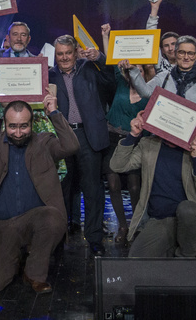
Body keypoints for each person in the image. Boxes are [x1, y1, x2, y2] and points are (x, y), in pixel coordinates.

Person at [0, 92, 79, 294]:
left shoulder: (44, 142)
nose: (19, 132)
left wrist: (54, 112)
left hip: (34, 220)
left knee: (53, 217)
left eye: (24, 126)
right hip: (0, 226)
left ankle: (34, 273)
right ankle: (17, 257)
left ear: (32, 124)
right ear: (5, 124)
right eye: (13, 126)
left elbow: (71, 146)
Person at [110, 110, 196, 258]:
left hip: (190, 222)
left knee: (188, 209)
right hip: (160, 220)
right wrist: (133, 135)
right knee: (136, 259)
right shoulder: (149, 145)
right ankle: (169, 249)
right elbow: (117, 166)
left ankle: (187, 258)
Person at [49, 34, 114, 256]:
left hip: (89, 135)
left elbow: (111, 78)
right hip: (61, 136)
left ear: (76, 52)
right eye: (60, 54)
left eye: (68, 52)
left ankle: (95, 238)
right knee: (62, 189)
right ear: (55, 55)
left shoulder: (90, 67)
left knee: (92, 189)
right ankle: (58, 237)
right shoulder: (48, 75)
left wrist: (101, 58)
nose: (65, 57)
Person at [122, 32, 196, 142]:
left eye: (191, 53)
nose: (186, 57)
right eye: (181, 52)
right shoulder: (164, 76)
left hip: (194, 140)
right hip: (163, 136)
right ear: (175, 53)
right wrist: (133, 70)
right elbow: (145, 92)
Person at [100, 23, 148, 245]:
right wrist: (106, 36)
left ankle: (136, 225)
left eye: (137, 69)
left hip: (136, 143)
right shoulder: (120, 82)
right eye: (130, 68)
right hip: (113, 139)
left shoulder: (149, 92)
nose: (133, 72)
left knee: (135, 186)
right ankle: (121, 226)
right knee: (113, 184)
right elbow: (112, 59)